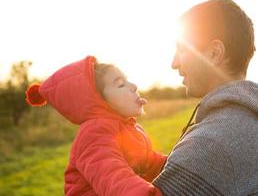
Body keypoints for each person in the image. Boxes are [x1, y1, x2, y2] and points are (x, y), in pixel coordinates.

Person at [153, 0, 258, 195]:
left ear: (214, 53)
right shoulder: (246, 118)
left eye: (182, 49)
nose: (173, 63)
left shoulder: (211, 142)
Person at [25, 56, 165, 195]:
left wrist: (172, 163)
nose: (134, 86)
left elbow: (148, 162)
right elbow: (111, 173)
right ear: (98, 100)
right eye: (121, 84)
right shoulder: (94, 132)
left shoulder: (128, 127)